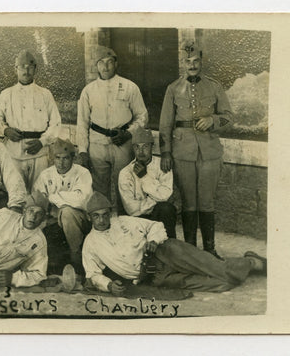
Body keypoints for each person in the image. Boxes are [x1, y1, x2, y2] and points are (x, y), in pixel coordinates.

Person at [82, 192, 266, 295]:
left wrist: (153, 240)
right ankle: (243, 265)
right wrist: (108, 285)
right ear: (89, 217)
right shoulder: (90, 244)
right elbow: (93, 273)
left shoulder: (123, 221)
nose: (101, 220)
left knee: (214, 268)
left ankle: (252, 263)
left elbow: (155, 225)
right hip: (155, 276)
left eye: (105, 214)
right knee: (221, 284)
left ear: (110, 213)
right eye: (96, 216)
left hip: (165, 252)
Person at [159, 41, 233, 259]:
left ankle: (209, 249)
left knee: (207, 201)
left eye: (196, 61)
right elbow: (165, 125)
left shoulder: (214, 86)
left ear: (202, 62)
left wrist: (213, 120)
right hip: (183, 152)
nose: (192, 65)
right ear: (182, 63)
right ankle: (190, 250)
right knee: (189, 201)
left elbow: (229, 117)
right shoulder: (173, 89)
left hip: (209, 151)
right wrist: (165, 152)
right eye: (187, 61)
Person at [76, 46, 148, 212]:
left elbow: (142, 116)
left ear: (116, 64)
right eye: (101, 63)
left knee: (125, 186)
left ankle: (125, 224)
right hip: (97, 144)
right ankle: (104, 226)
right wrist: (82, 150)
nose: (105, 67)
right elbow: (82, 123)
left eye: (109, 62)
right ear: (96, 66)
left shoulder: (129, 87)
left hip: (122, 143)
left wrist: (128, 133)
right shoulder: (88, 91)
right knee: (100, 189)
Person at [0, 50, 62, 192]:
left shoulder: (45, 94)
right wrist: (6, 130)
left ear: (35, 69)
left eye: (30, 66)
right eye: (22, 66)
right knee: (16, 193)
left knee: (40, 193)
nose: (26, 70)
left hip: (39, 153)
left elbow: (56, 123)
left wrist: (42, 142)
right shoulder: (6, 94)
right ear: (15, 69)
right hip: (14, 153)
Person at [33, 138, 93, 275]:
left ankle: (76, 256)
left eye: (66, 158)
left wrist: (53, 198)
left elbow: (81, 200)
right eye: (57, 158)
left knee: (67, 212)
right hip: (52, 220)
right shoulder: (46, 174)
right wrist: (57, 202)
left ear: (73, 158)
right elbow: (38, 199)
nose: (61, 162)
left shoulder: (82, 173)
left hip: (79, 221)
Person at [118, 127, 177, 239]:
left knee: (166, 209)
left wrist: (145, 177)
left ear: (152, 147)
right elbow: (132, 209)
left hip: (158, 216)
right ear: (133, 148)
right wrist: (156, 200)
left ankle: (169, 247)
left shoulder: (162, 166)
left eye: (145, 146)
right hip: (137, 220)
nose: (141, 152)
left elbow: (165, 196)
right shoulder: (126, 173)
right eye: (137, 147)